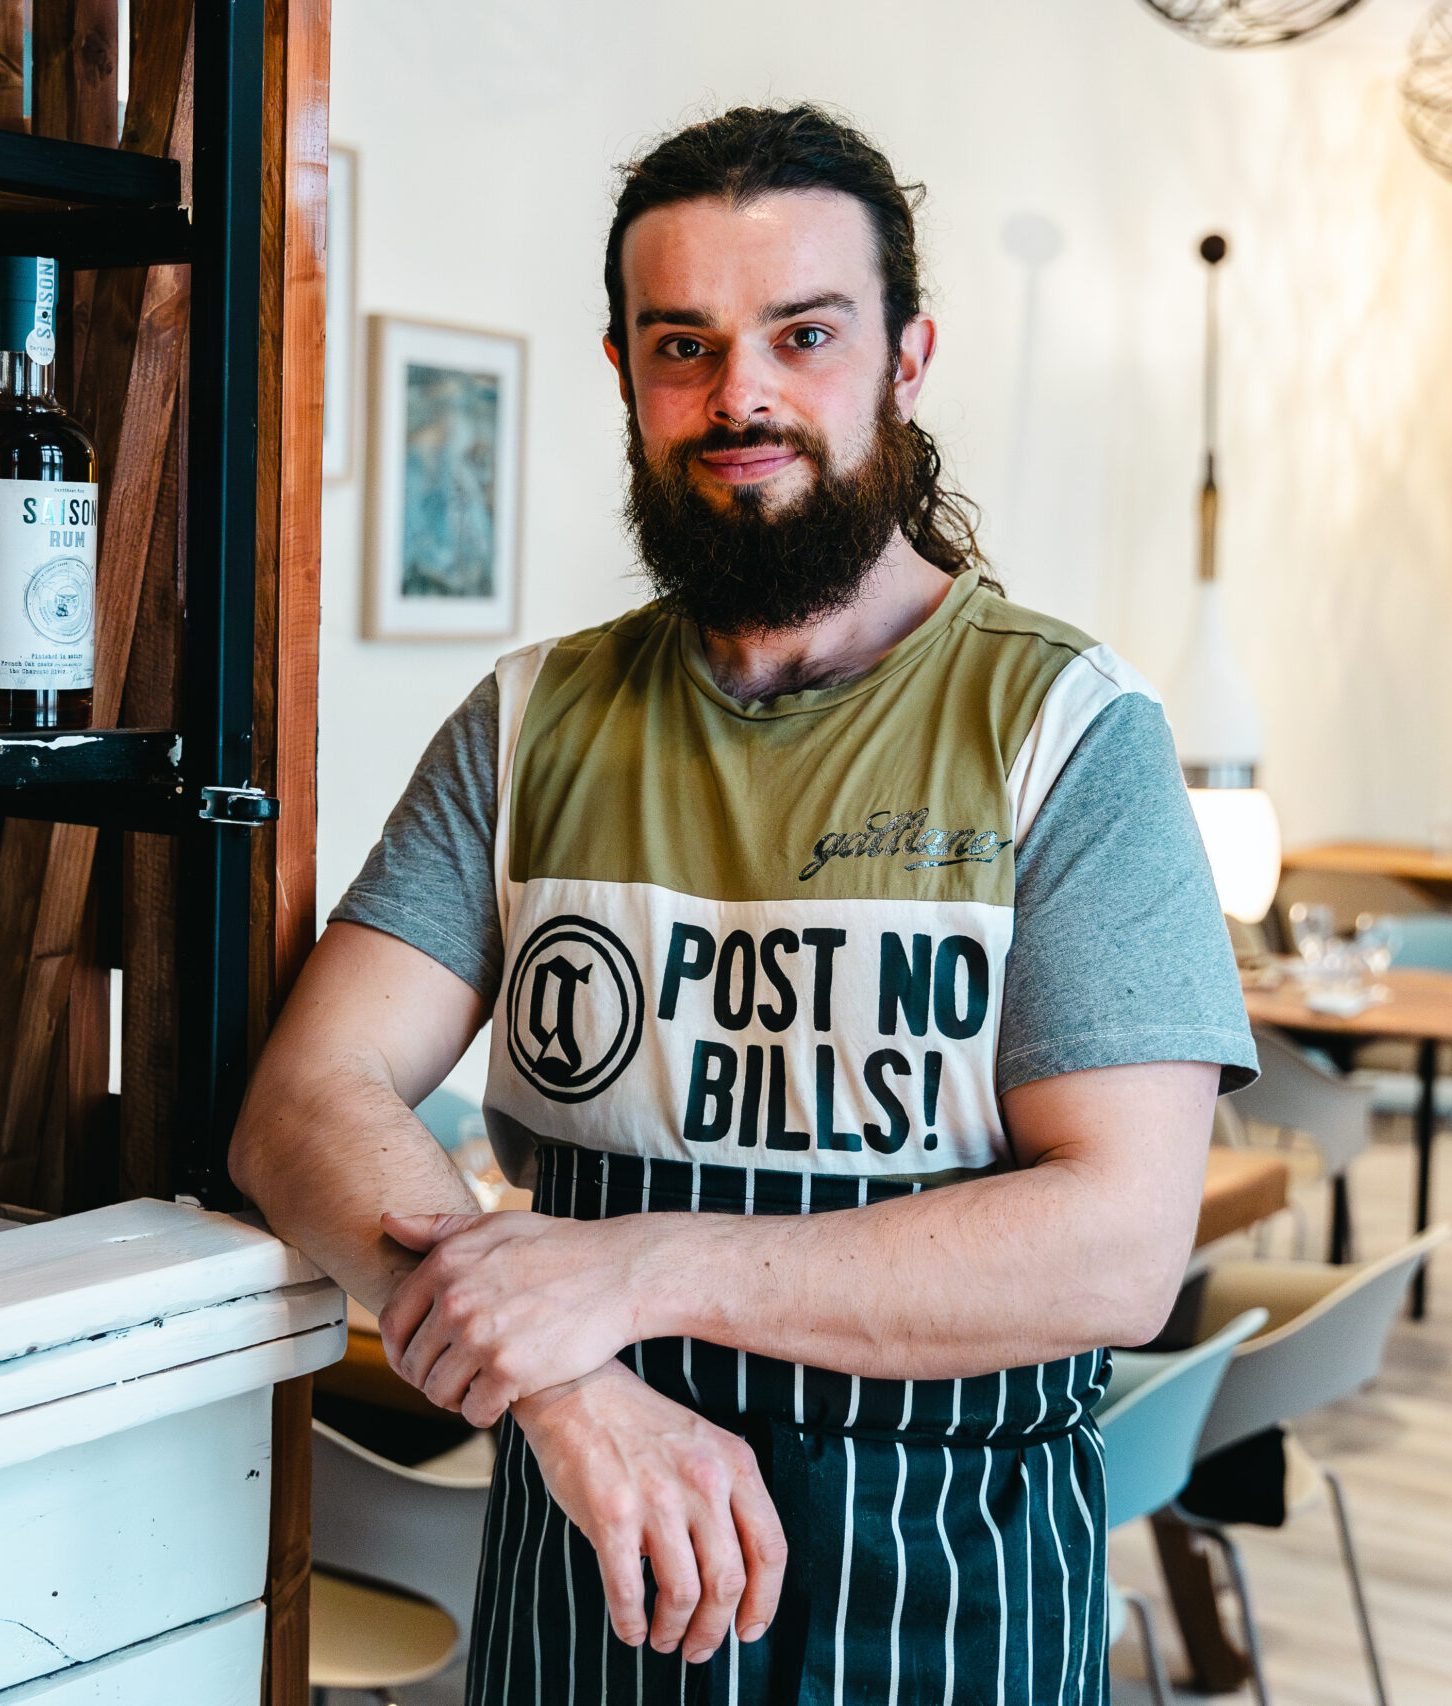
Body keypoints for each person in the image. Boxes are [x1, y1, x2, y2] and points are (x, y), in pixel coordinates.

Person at [231, 103, 1256, 1704]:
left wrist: (630, 1272)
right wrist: (571, 1389)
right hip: (586, 1612)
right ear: (626, 373)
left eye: (803, 334)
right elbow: (304, 1103)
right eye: (685, 346)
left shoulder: (1066, 734)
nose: (743, 395)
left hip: (947, 1619)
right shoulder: (529, 725)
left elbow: (1117, 1245)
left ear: (907, 361)